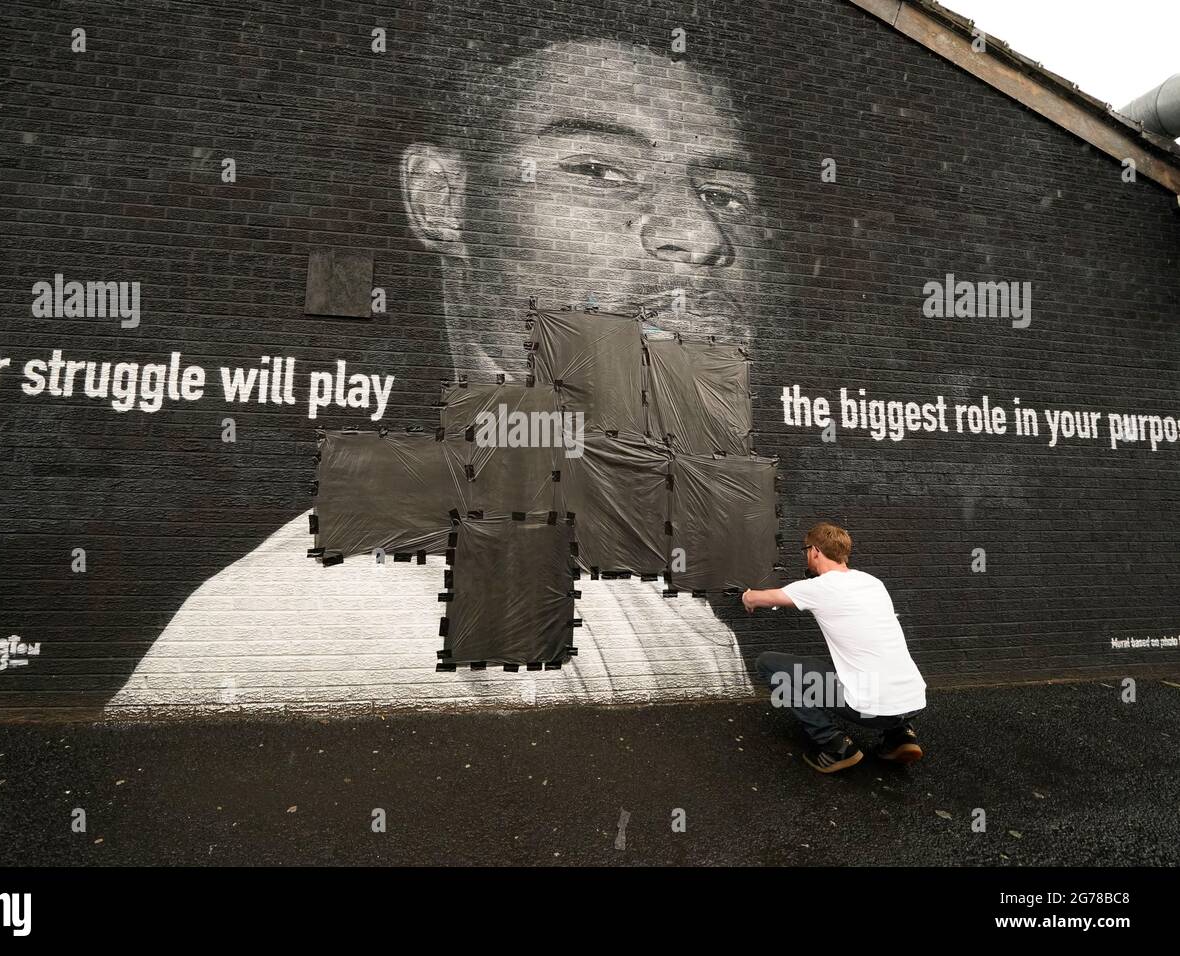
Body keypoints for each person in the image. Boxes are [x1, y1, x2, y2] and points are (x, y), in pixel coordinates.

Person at [106, 35, 773, 713]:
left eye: (725, 194)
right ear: (442, 202)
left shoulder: (639, 579)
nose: (700, 233)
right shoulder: (357, 608)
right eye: (598, 170)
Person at [743, 522, 927, 773]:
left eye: (806, 550)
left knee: (768, 663)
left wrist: (747, 597)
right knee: (864, 664)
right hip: (914, 702)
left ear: (815, 551)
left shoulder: (818, 587)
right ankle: (900, 736)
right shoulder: (873, 583)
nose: (806, 555)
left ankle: (835, 744)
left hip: (873, 708)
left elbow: (761, 598)